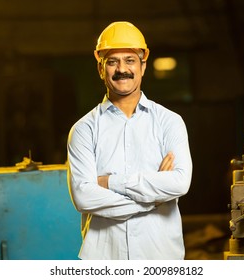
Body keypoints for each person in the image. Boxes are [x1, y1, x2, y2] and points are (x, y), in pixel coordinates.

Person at [66, 21, 192, 260]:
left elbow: (179, 183)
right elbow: (84, 196)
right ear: (101, 69)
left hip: (160, 257)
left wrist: (109, 183)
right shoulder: (83, 130)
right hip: (104, 260)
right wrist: (152, 201)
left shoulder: (170, 122)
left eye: (130, 60)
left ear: (143, 66)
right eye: (112, 62)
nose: (121, 69)